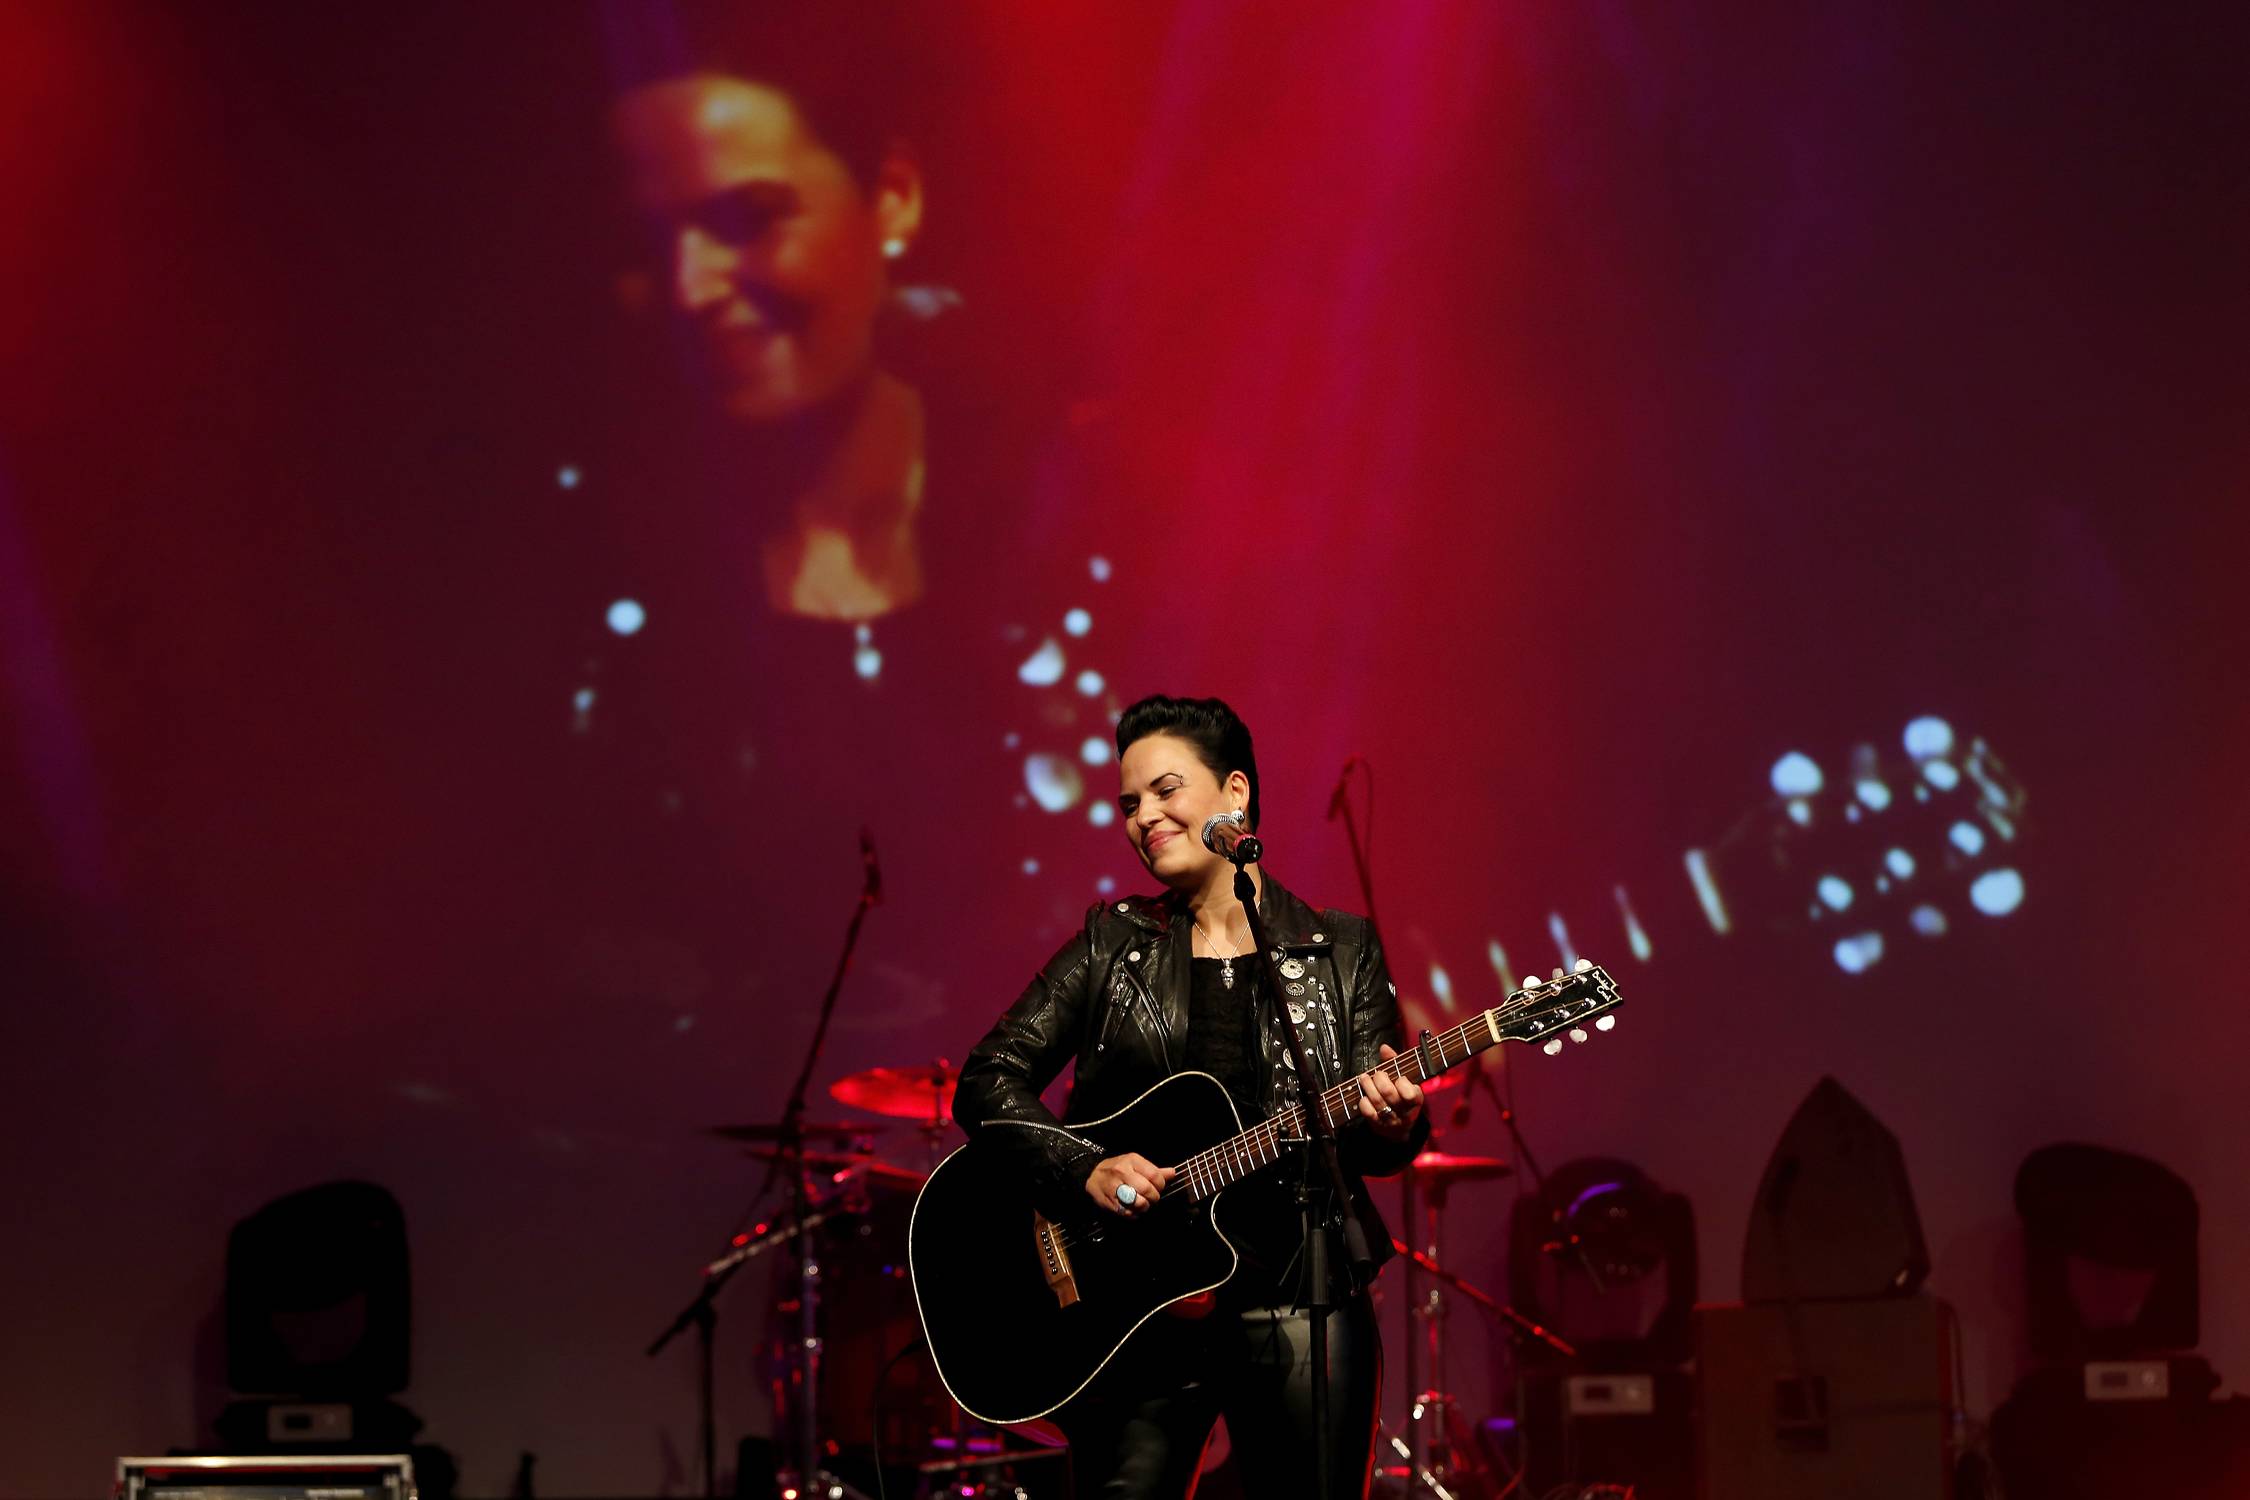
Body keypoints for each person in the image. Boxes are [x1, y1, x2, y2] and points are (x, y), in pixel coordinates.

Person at [953, 694, 1430, 1498]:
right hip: (1135, 1309)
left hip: (1298, 1294)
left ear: (1234, 792)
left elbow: (1374, 1144)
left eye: (1165, 790)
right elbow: (987, 1078)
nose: (1144, 817)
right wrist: (1084, 1168)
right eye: (1128, 803)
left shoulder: (1340, 950)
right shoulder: (1111, 942)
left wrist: (1395, 1119)